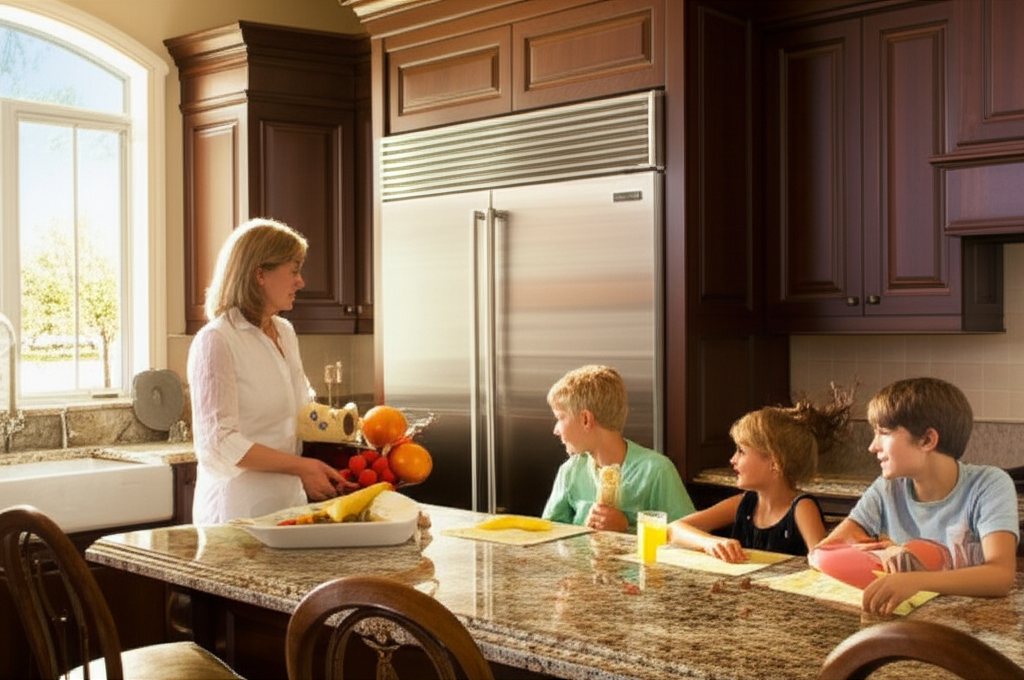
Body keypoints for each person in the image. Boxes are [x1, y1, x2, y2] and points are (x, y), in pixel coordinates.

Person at [815, 377, 1019, 616]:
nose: (872, 446)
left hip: (971, 634)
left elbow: (1000, 576)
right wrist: (885, 551)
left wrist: (915, 581)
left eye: (884, 432)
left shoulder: (988, 484)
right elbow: (823, 552)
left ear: (927, 440)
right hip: (902, 627)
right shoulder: (886, 489)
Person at [187, 218, 344, 524]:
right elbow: (219, 445)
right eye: (294, 270)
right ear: (260, 274)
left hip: (287, 506)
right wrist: (301, 467)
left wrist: (362, 432)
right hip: (235, 514)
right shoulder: (217, 340)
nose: (301, 282)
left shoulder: (284, 331)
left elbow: (300, 415)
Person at [666, 385, 855, 561]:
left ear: (774, 463)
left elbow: (822, 561)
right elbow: (674, 529)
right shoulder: (745, 503)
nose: (732, 460)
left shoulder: (801, 508)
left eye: (741, 451)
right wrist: (710, 542)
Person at [541, 365, 694, 532]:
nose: (555, 430)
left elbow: (690, 538)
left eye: (560, 417)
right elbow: (550, 536)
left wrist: (626, 529)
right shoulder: (570, 471)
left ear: (586, 419)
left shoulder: (657, 471)